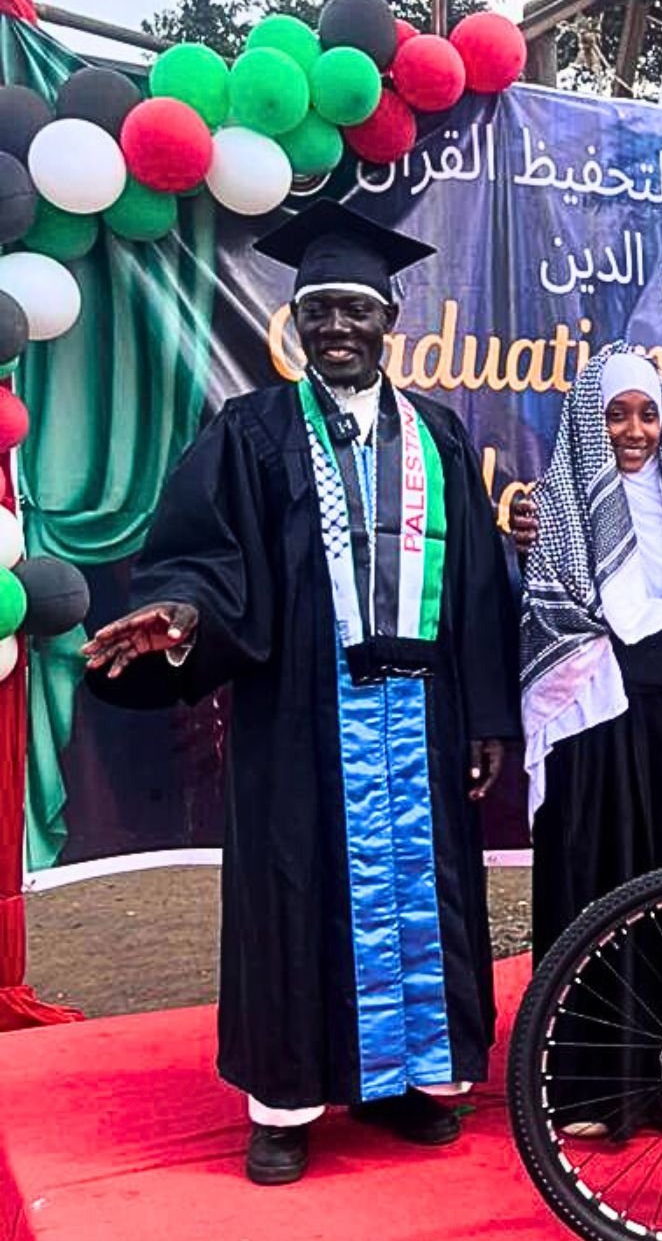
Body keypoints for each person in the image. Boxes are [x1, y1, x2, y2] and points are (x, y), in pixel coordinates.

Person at [82, 204, 520, 1187]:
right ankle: (283, 1103)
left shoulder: (441, 437)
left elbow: (482, 589)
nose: (335, 326)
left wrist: (489, 715)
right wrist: (183, 615)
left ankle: (407, 1083)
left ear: (389, 318)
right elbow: (204, 553)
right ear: (295, 317)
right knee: (293, 893)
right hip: (300, 712)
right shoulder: (254, 431)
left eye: (354, 309)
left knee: (420, 898)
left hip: (420, 711)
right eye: (317, 307)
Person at [518, 345, 662, 1134]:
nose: (633, 432)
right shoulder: (559, 504)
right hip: (597, 744)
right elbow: (603, 627)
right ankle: (592, 1090)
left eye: (646, 414)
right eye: (615, 415)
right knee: (598, 904)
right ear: (587, 421)